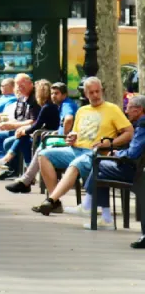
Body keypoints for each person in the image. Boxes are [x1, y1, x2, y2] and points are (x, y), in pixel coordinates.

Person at [30, 77, 133, 217]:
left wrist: (111, 143)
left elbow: (129, 132)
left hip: (97, 152)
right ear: (85, 94)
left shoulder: (112, 109)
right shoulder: (82, 110)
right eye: (91, 92)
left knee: (76, 164)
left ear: (102, 91)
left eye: (98, 91)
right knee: (43, 154)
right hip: (75, 149)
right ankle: (55, 202)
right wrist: (72, 136)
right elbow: (76, 132)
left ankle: (50, 200)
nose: (95, 95)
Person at [81, 95, 145, 235]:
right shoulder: (139, 125)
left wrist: (117, 154)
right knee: (101, 167)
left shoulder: (142, 125)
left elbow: (133, 153)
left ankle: (90, 204)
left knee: (99, 163)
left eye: (128, 108)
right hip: (137, 169)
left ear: (139, 109)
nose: (126, 112)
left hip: (136, 173)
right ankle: (105, 216)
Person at [0, 79, 54, 178]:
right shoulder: (42, 104)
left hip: (44, 135)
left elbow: (37, 124)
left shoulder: (46, 106)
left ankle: (10, 163)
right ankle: (18, 168)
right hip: (38, 133)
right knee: (18, 138)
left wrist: (24, 131)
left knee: (21, 138)